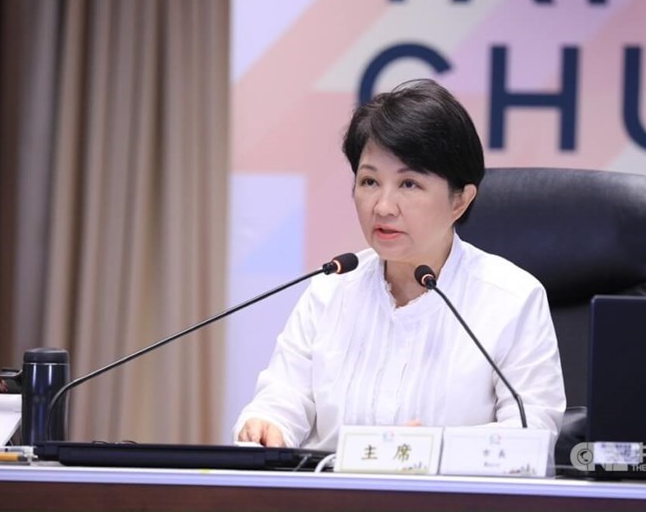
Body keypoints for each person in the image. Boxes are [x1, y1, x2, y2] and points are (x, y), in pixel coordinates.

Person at [234, 79, 566, 458]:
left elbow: (531, 433)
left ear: (460, 201)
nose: (383, 206)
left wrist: (432, 449)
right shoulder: (330, 291)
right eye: (370, 181)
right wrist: (266, 424)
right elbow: (283, 397)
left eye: (409, 183)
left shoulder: (512, 298)